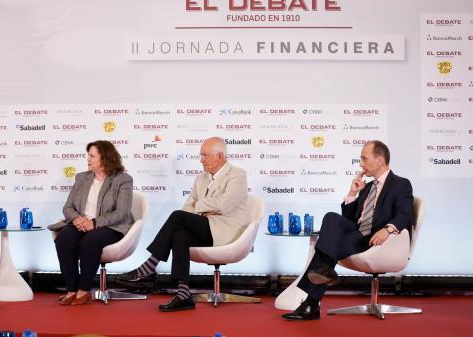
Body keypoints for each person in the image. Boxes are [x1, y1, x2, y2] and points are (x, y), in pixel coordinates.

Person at [282, 140, 413, 320]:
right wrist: (352, 194)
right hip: (357, 232)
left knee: (330, 245)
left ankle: (311, 303)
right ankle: (325, 272)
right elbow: (348, 219)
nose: (361, 164)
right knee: (331, 217)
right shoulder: (367, 187)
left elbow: (405, 214)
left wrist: (387, 229)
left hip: (374, 238)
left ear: (380, 160)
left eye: (364, 159)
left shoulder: (400, 184)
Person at [116, 137, 249, 312]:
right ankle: (183, 293)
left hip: (225, 232)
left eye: (205, 155)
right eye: (201, 155)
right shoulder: (201, 178)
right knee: (180, 234)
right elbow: (188, 207)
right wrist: (205, 209)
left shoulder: (237, 174)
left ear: (220, 156)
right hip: (205, 227)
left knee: (177, 217)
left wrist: (199, 207)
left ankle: (149, 266)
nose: (201, 159)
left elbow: (223, 205)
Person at [52, 140, 134, 305]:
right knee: (63, 239)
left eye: (91, 156)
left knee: (90, 241)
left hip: (110, 226)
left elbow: (121, 212)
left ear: (104, 158)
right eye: (88, 155)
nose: (88, 159)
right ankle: (72, 289)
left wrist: (94, 223)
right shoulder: (82, 178)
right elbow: (68, 207)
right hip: (82, 222)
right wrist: (77, 219)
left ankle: (84, 290)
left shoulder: (123, 180)